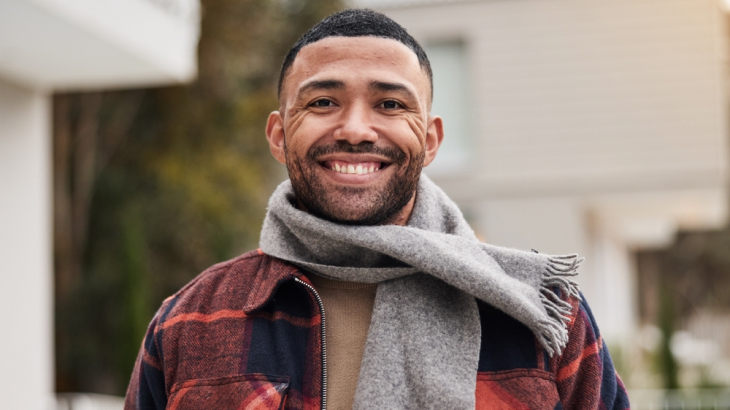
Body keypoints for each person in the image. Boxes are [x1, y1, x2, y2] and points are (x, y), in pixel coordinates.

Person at [125, 9, 630, 410]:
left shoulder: (539, 316)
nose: (355, 130)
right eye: (323, 102)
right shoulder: (190, 324)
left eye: (390, 105)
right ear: (279, 136)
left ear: (429, 140)